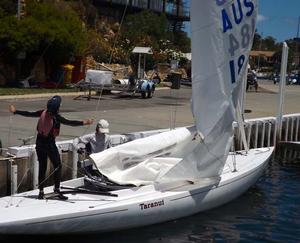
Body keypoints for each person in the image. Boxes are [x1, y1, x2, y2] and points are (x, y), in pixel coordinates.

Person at [9, 95, 94, 200]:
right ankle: (57, 190)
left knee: (42, 167)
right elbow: (70, 123)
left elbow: (29, 114)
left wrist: (15, 111)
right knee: (58, 165)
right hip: (49, 144)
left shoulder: (42, 112)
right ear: (57, 108)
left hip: (39, 143)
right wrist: (85, 122)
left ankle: (41, 192)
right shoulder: (56, 117)